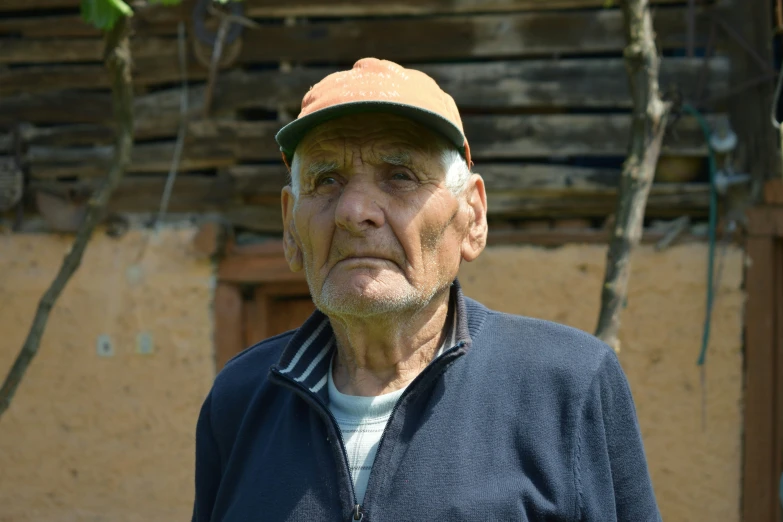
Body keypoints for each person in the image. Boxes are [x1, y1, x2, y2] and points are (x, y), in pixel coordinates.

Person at [192, 57, 661, 522]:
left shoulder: (567, 384)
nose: (354, 211)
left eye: (400, 175)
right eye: (326, 180)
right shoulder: (239, 399)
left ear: (472, 216)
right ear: (291, 228)